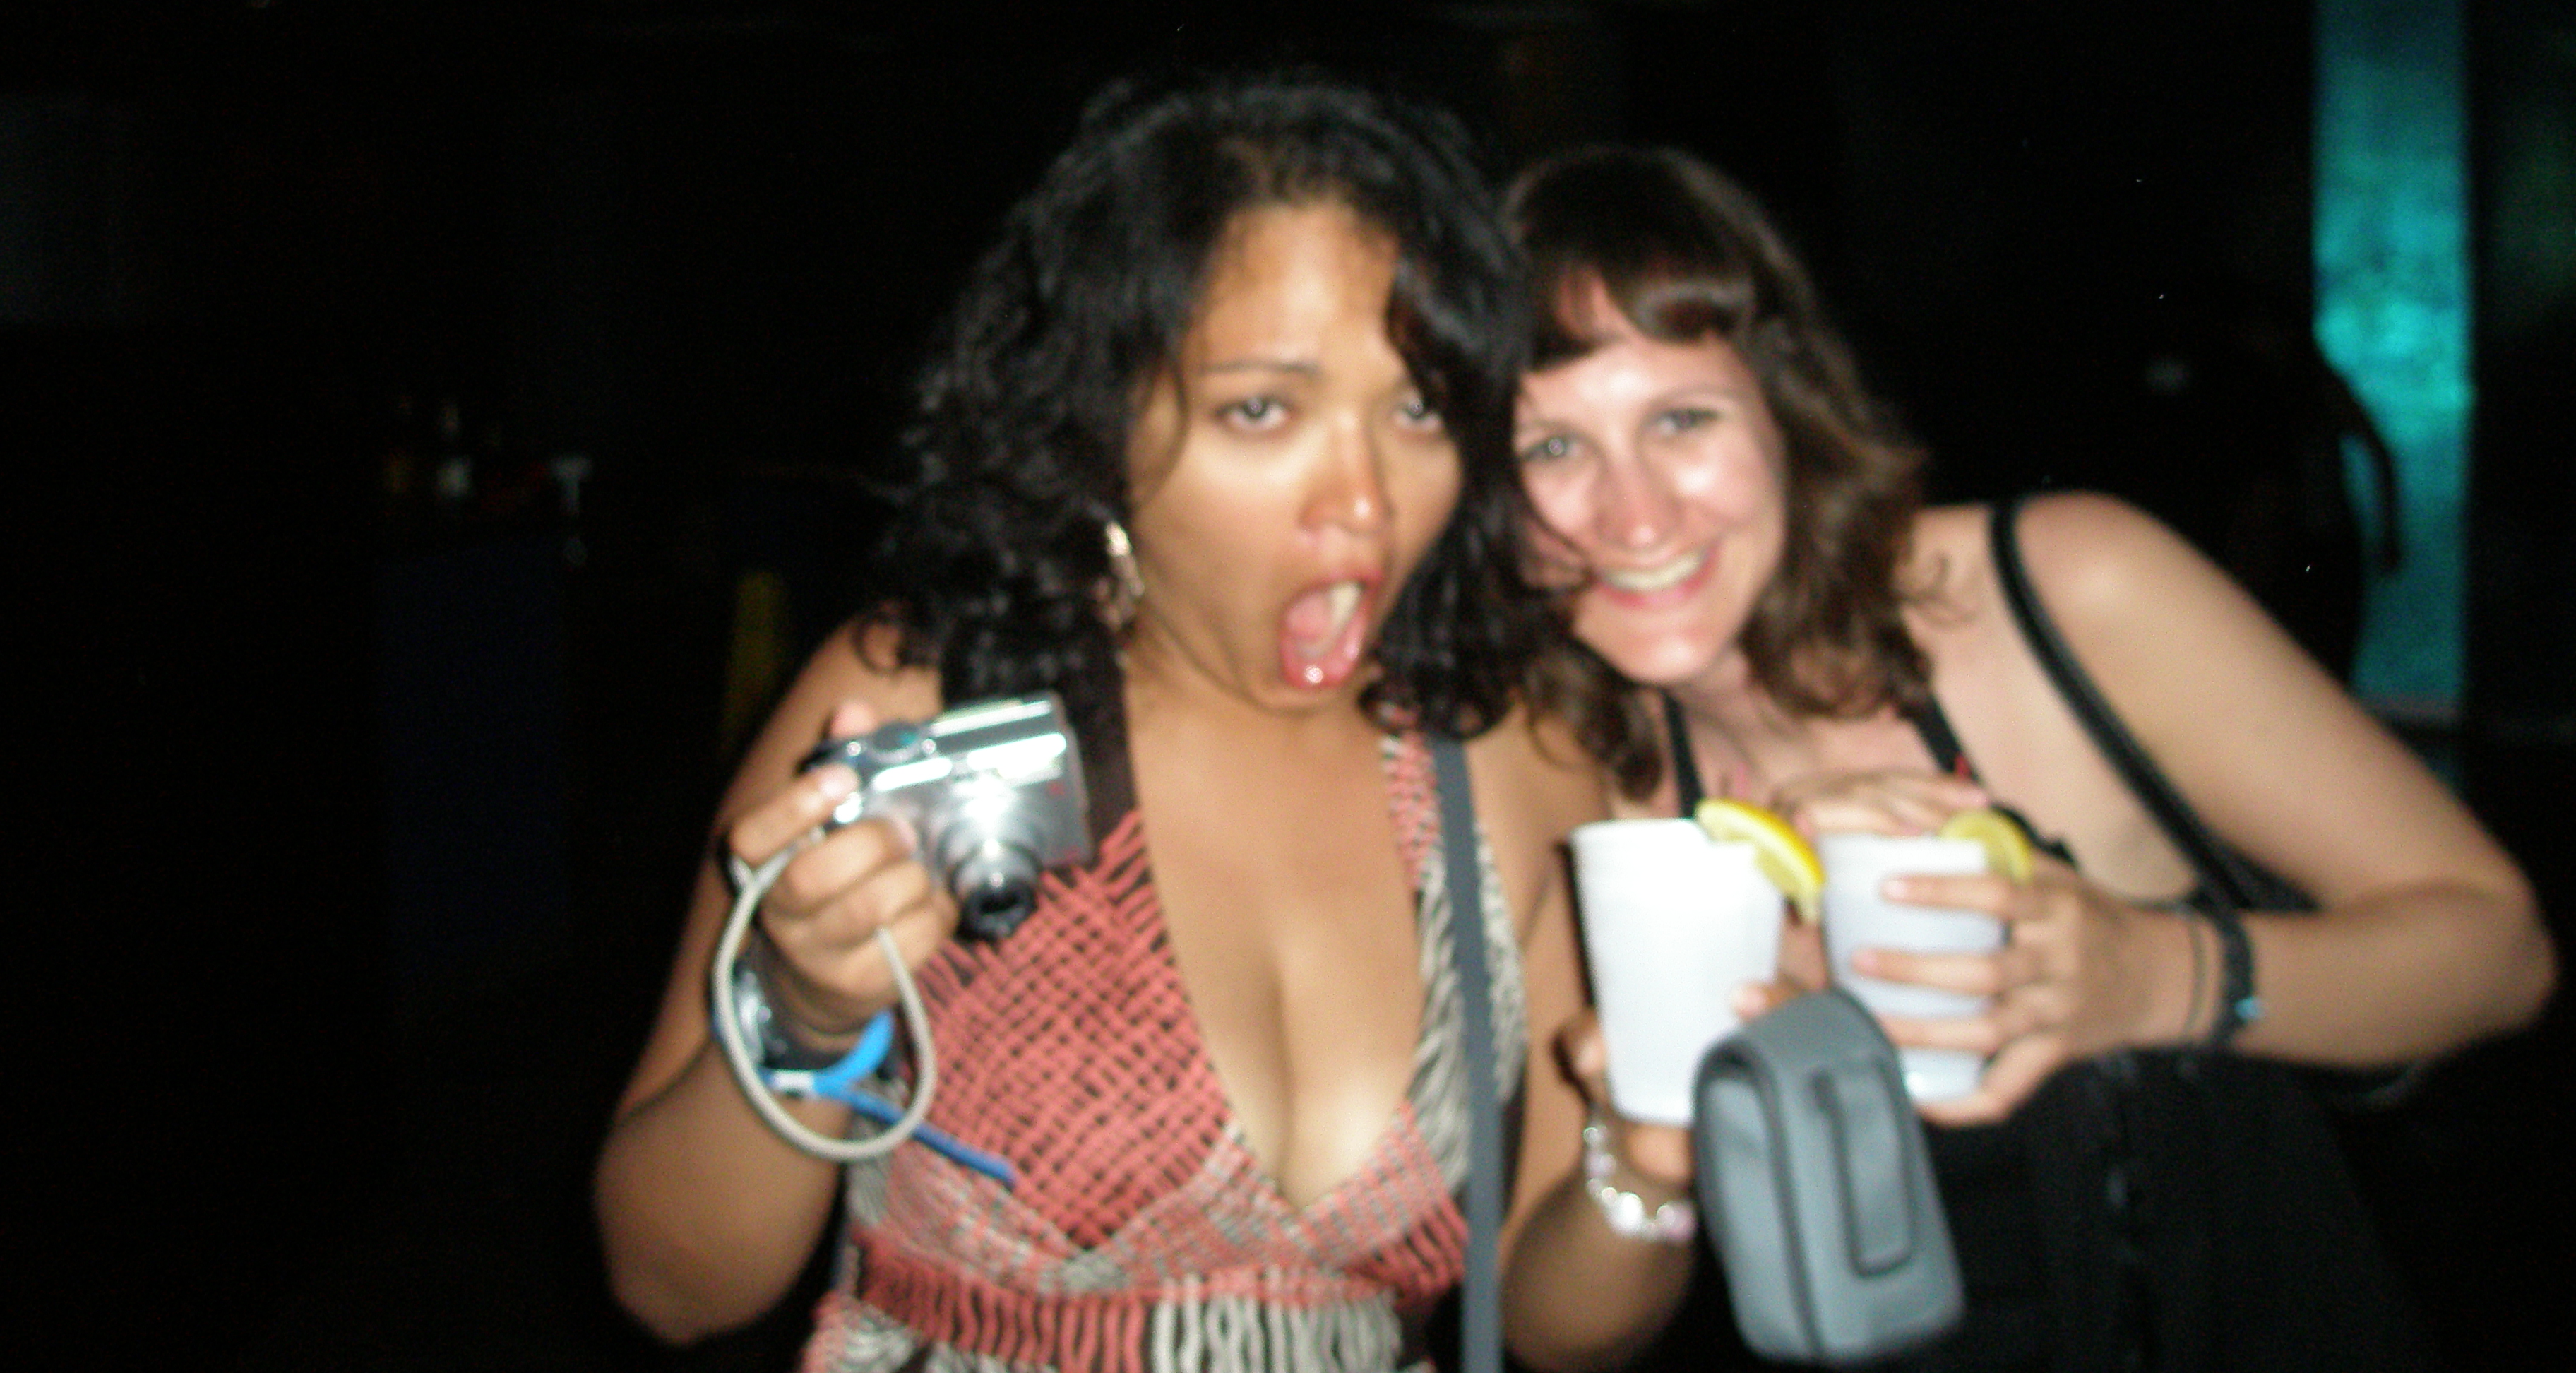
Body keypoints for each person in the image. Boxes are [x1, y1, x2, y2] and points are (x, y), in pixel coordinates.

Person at [595, 71, 1683, 1373]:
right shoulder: (928, 704)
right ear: (1103, 419)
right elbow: (672, 1286)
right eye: (1261, 410)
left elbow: (1555, 1329)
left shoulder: (1508, 756)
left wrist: (1650, 1158)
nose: (1365, 503)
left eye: (1417, 408)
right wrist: (803, 1019)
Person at [1503, 143, 2556, 1372]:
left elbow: (2500, 952)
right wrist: (1643, 1155)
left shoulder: (2063, 592)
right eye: (1551, 449)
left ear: (1786, 412)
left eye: (1682, 420)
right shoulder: (1574, 773)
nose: (1632, 516)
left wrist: (2154, 975)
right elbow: (1554, 1331)